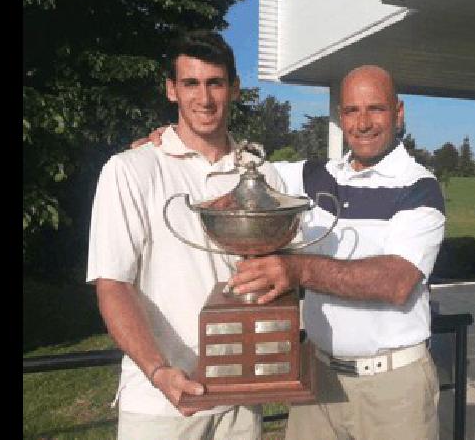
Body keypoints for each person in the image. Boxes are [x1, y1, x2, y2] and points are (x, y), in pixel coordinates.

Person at [138, 64, 445, 439]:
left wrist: (296, 271)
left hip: (393, 388)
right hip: (318, 378)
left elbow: (396, 281)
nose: (362, 123)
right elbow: (237, 165)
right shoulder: (314, 176)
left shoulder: (419, 187)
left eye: (375, 109)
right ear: (341, 117)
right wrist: (169, 145)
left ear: (398, 113)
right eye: (351, 111)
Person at [87, 30, 285, 439]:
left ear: (234, 88)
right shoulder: (131, 169)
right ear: (171, 90)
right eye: (191, 83)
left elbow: (282, 269)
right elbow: (112, 285)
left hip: (241, 399)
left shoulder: (261, 171)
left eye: (215, 83)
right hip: (161, 405)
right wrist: (160, 372)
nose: (205, 98)